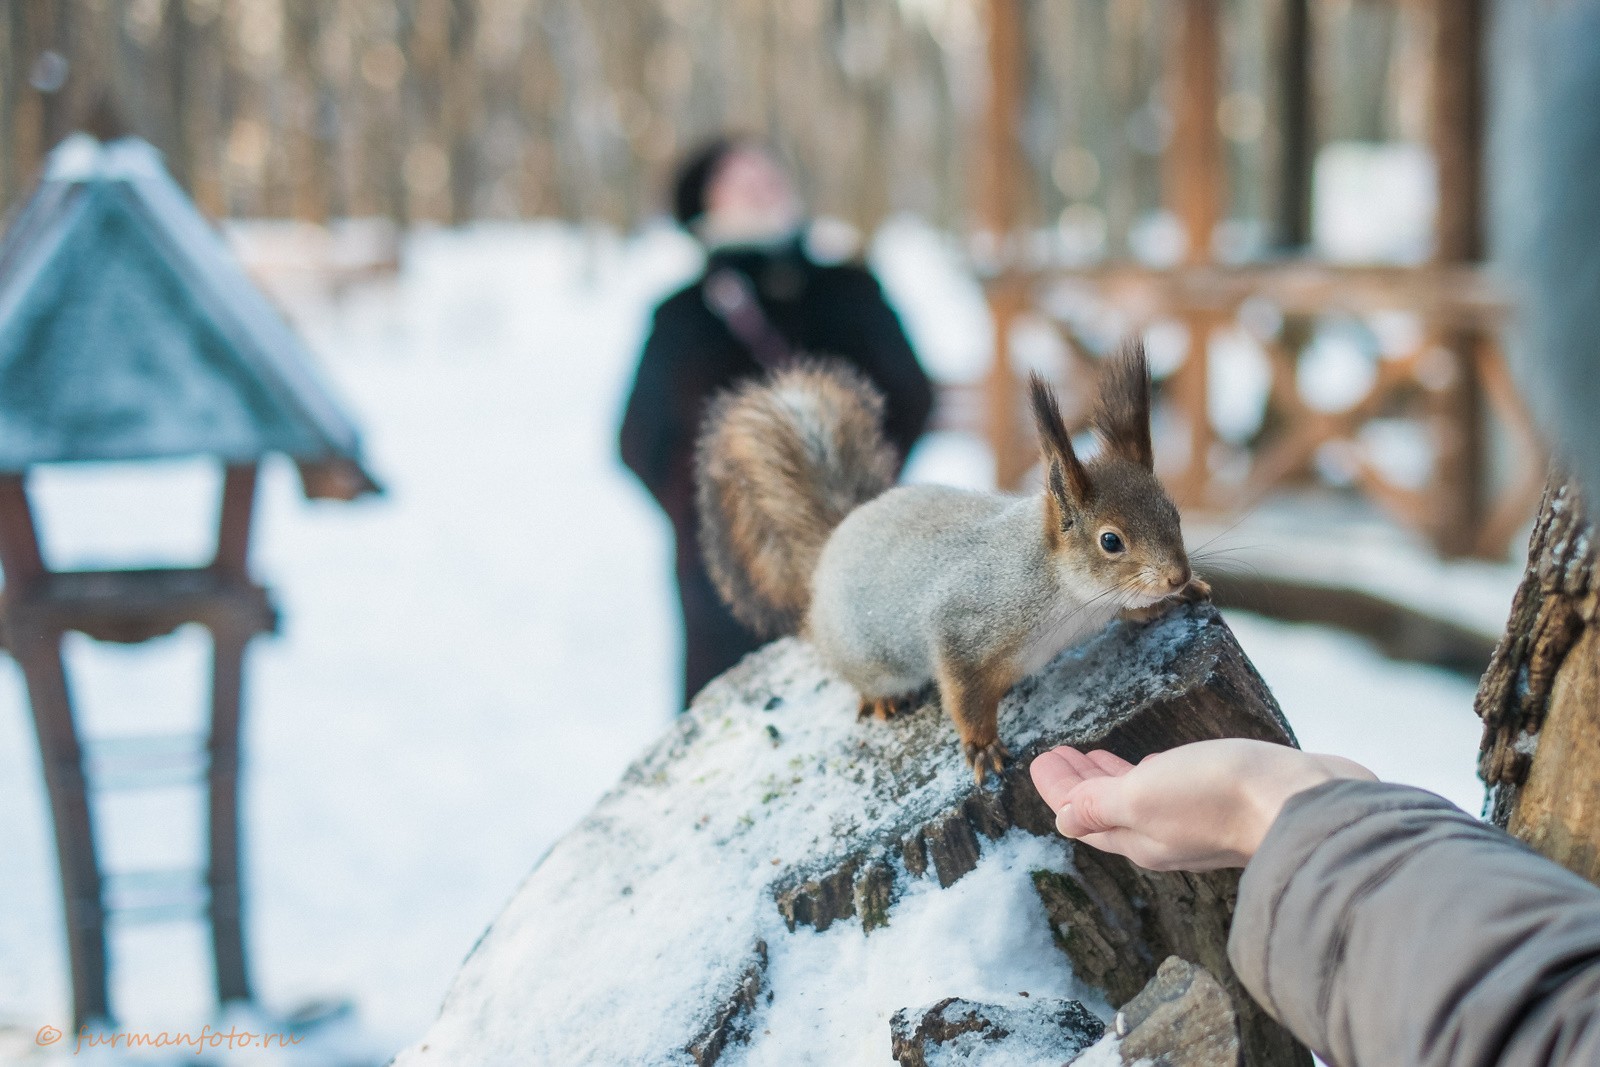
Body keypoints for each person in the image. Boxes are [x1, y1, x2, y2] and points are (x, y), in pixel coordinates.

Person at [619, 137, 934, 708]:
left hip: (855, 550)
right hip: (726, 573)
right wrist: (712, 515)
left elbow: (910, 395)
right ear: (703, 207)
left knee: (866, 716)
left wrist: (855, 488)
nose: (761, 182)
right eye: (738, 178)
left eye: (768, 171)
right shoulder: (680, 316)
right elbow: (639, 440)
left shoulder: (850, 289)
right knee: (728, 737)